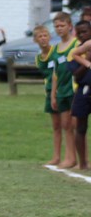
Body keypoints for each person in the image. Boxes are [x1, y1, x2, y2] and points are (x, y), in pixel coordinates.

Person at [50, 11, 79, 168]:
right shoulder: (55, 48)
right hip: (62, 91)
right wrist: (53, 94)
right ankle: (69, 157)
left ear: (70, 26)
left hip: (74, 90)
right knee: (65, 124)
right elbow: (55, 73)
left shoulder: (77, 44)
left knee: (76, 125)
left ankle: (79, 158)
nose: (59, 29)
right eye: (56, 26)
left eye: (62, 26)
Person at [35, 25, 64, 166]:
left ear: (50, 37)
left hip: (61, 92)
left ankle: (72, 157)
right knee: (56, 126)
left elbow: (61, 71)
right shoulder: (38, 58)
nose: (43, 39)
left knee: (69, 125)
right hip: (48, 93)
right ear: (35, 40)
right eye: (39, 36)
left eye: (45, 35)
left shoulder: (57, 52)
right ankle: (57, 156)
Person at [65, 20, 91, 170]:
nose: (82, 35)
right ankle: (83, 163)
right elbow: (76, 75)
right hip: (84, 90)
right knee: (81, 127)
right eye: (79, 32)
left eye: (85, 31)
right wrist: (87, 61)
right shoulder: (77, 51)